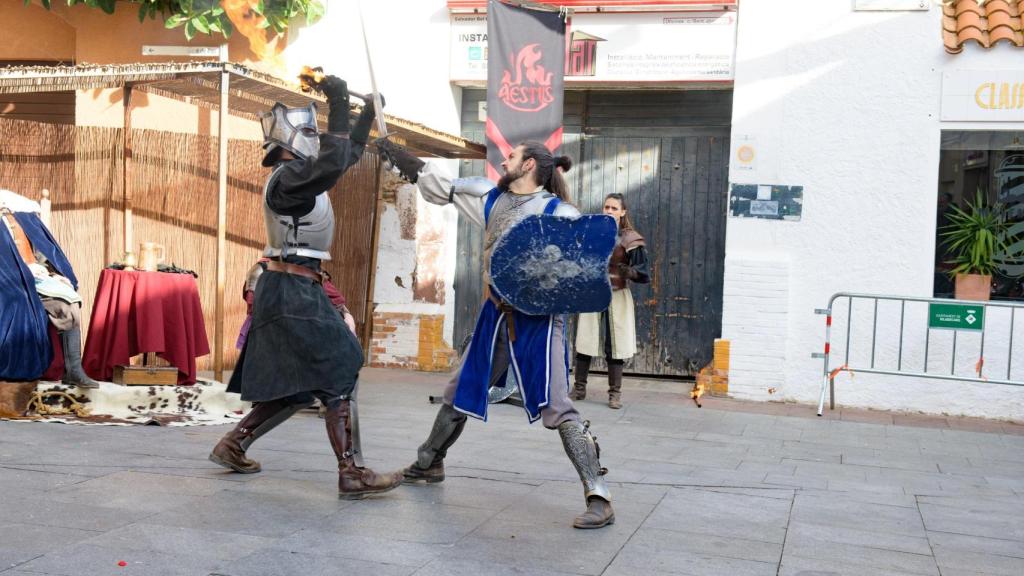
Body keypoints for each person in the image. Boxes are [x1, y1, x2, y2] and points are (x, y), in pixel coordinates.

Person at [377, 139, 615, 529]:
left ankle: (599, 495)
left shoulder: (560, 213)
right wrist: (405, 159)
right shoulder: (490, 199)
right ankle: (428, 463)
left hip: (540, 319)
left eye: (513, 156)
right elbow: (441, 185)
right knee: (461, 390)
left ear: (530, 165)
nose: (504, 159)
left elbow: (583, 263)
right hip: (496, 314)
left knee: (556, 405)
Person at [208, 74, 402, 500]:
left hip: (291, 284)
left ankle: (234, 444)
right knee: (342, 363)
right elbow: (334, 162)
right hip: (291, 286)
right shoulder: (289, 179)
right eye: (312, 132)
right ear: (293, 139)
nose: (319, 140)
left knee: (295, 384)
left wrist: (366, 114)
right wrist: (338, 102)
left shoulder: (299, 176)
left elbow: (343, 156)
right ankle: (351, 472)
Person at [1, 200, 99, 389]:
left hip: (35, 278)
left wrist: (54, 274)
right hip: (8, 284)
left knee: (68, 301)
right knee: (17, 301)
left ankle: (74, 370)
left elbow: (43, 255)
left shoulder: (24, 220)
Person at [571, 193, 649, 409]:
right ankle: (579, 388)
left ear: (623, 212)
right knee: (586, 339)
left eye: (614, 208)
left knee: (615, 344)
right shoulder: (591, 232)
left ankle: (615, 394)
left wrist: (628, 272)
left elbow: (643, 272)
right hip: (593, 290)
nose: (609, 211)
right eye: (607, 207)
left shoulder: (630, 238)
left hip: (618, 292)